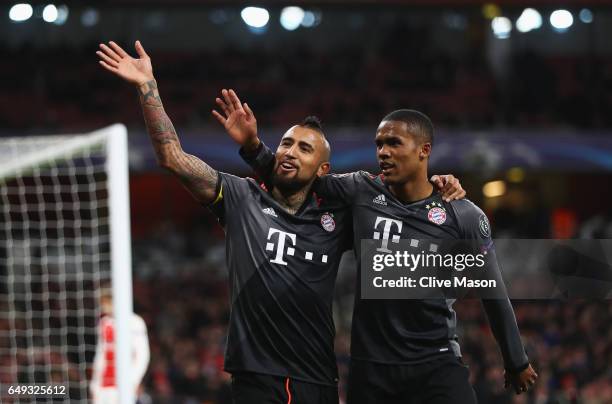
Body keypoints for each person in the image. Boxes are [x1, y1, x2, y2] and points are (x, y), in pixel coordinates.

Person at [97, 41, 464, 404]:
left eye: (304, 149)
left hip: (319, 379)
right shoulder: (240, 198)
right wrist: (148, 87)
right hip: (258, 377)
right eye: (286, 143)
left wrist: (438, 188)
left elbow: (399, 206)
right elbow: (172, 157)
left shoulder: (338, 217)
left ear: (323, 170)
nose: (289, 151)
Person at [221, 91, 538, 403]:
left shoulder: (463, 215)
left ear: (423, 150)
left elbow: (493, 291)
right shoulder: (359, 190)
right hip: (371, 370)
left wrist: (516, 359)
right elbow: (296, 176)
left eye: (394, 143)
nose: (383, 152)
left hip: (436, 361)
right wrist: (252, 147)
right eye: (379, 145)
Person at [90, 289, 150, 404]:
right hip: (104, 384)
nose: (103, 307)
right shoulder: (105, 322)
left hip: (123, 383)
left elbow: (142, 355)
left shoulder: (134, 321)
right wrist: (94, 384)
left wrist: (133, 380)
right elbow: (100, 354)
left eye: (105, 303)